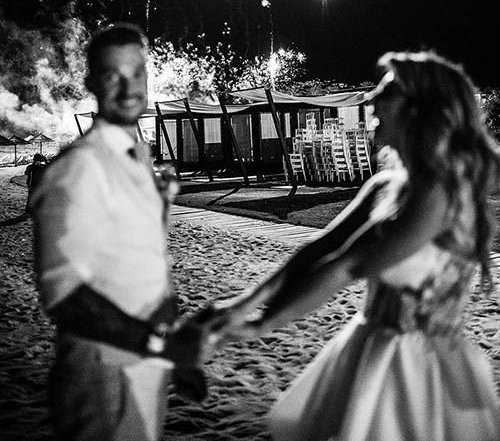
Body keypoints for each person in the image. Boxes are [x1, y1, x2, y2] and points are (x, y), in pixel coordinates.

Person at [192, 50, 500, 441]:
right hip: (367, 347)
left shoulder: (438, 193)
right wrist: (243, 304)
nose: (371, 99)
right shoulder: (383, 187)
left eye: (388, 91)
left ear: (420, 109)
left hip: (420, 368)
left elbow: (348, 266)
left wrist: (263, 324)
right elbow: (320, 247)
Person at [29, 22, 203, 441]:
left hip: (143, 362)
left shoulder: (133, 158)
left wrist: (172, 354)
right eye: (112, 77)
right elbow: (64, 296)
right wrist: (160, 345)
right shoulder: (80, 166)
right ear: (91, 83)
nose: (128, 89)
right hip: (102, 372)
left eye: (136, 74)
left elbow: (143, 260)